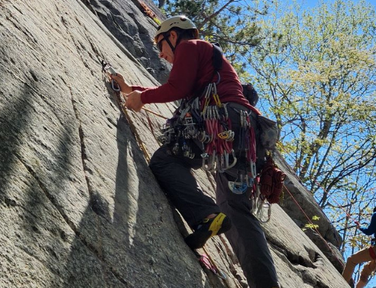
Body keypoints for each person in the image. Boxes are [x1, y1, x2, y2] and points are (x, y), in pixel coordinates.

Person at [111, 15, 279, 288]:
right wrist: (134, 91)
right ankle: (214, 223)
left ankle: (204, 213)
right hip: (242, 131)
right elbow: (180, 89)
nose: (162, 55)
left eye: (161, 45)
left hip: (223, 123)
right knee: (235, 211)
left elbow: (177, 88)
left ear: (174, 36)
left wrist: (141, 98)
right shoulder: (207, 61)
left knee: (165, 161)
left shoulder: (191, 46)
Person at [342, 206, 376, 287]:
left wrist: (360, 227)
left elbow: (369, 231)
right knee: (366, 271)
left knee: (351, 260)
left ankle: (341, 285)